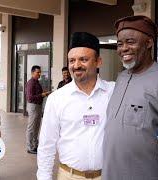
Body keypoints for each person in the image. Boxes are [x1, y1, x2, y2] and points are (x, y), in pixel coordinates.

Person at [102, 16, 158, 180]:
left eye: (130, 42)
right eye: (120, 44)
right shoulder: (121, 77)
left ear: (149, 43)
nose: (124, 48)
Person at [37, 32, 115, 180]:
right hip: (70, 176)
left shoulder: (113, 92)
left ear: (98, 62)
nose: (76, 65)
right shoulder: (57, 99)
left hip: (106, 175)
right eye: (72, 60)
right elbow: (47, 146)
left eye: (83, 59)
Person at [25, 65, 51, 154]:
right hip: (33, 106)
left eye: (40, 72)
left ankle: (35, 145)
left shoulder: (37, 82)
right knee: (31, 127)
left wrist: (43, 94)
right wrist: (43, 95)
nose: (39, 74)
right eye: (37, 72)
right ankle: (30, 147)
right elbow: (30, 97)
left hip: (38, 106)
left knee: (36, 127)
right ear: (32, 73)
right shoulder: (31, 83)